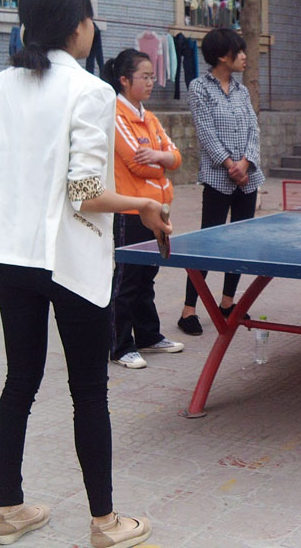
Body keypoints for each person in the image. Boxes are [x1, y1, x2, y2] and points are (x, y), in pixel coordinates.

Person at [0, 0, 164, 547]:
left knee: (19, 382)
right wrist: (144, 203)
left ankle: (9, 511)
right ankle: (105, 523)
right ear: (77, 27)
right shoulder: (90, 90)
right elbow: (85, 193)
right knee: (89, 391)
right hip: (70, 262)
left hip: (12, 260)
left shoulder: (0, 86)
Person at [177, 27, 264, 334]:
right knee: (208, 243)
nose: (244, 56)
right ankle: (189, 310)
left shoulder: (243, 91)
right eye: (239, 51)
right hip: (218, 178)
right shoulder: (199, 87)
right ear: (223, 56)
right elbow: (205, 132)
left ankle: (228, 303)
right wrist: (229, 165)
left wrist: (246, 162)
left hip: (248, 178)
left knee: (239, 243)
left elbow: (254, 129)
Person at [102, 49, 184, 369]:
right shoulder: (116, 115)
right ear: (124, 80)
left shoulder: (149, 117)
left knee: (147, 276)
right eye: (144, 77)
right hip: (132, 210)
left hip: (159, 208)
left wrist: (160, 157)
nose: (151, 82)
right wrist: (162, 161)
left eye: (152, 76)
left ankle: (148, 336)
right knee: (127, 280)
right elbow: (137, 164)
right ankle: (120, 346)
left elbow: (175, 156)